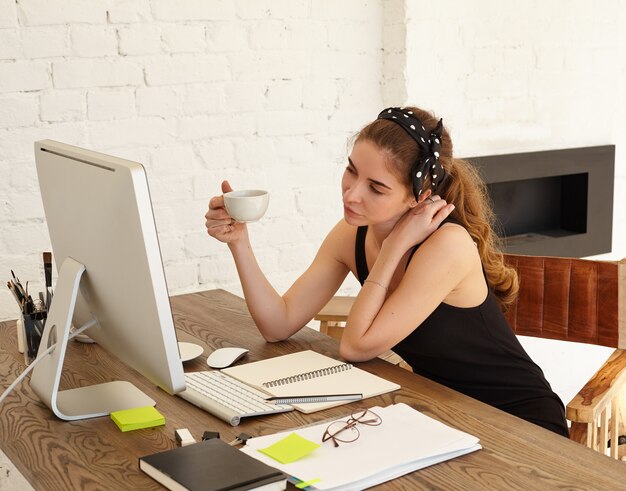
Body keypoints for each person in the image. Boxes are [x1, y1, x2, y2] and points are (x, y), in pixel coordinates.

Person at [205, 106, 569, 437]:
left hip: (520, 423)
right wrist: (240, 242)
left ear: (419, 196)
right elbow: (278, 323)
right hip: (446, 412)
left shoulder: (447, 246)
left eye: (376, 187)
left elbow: (355, 346)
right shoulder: (351, 234)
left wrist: (394, 248)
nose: (351, 195)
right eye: (351, 171)